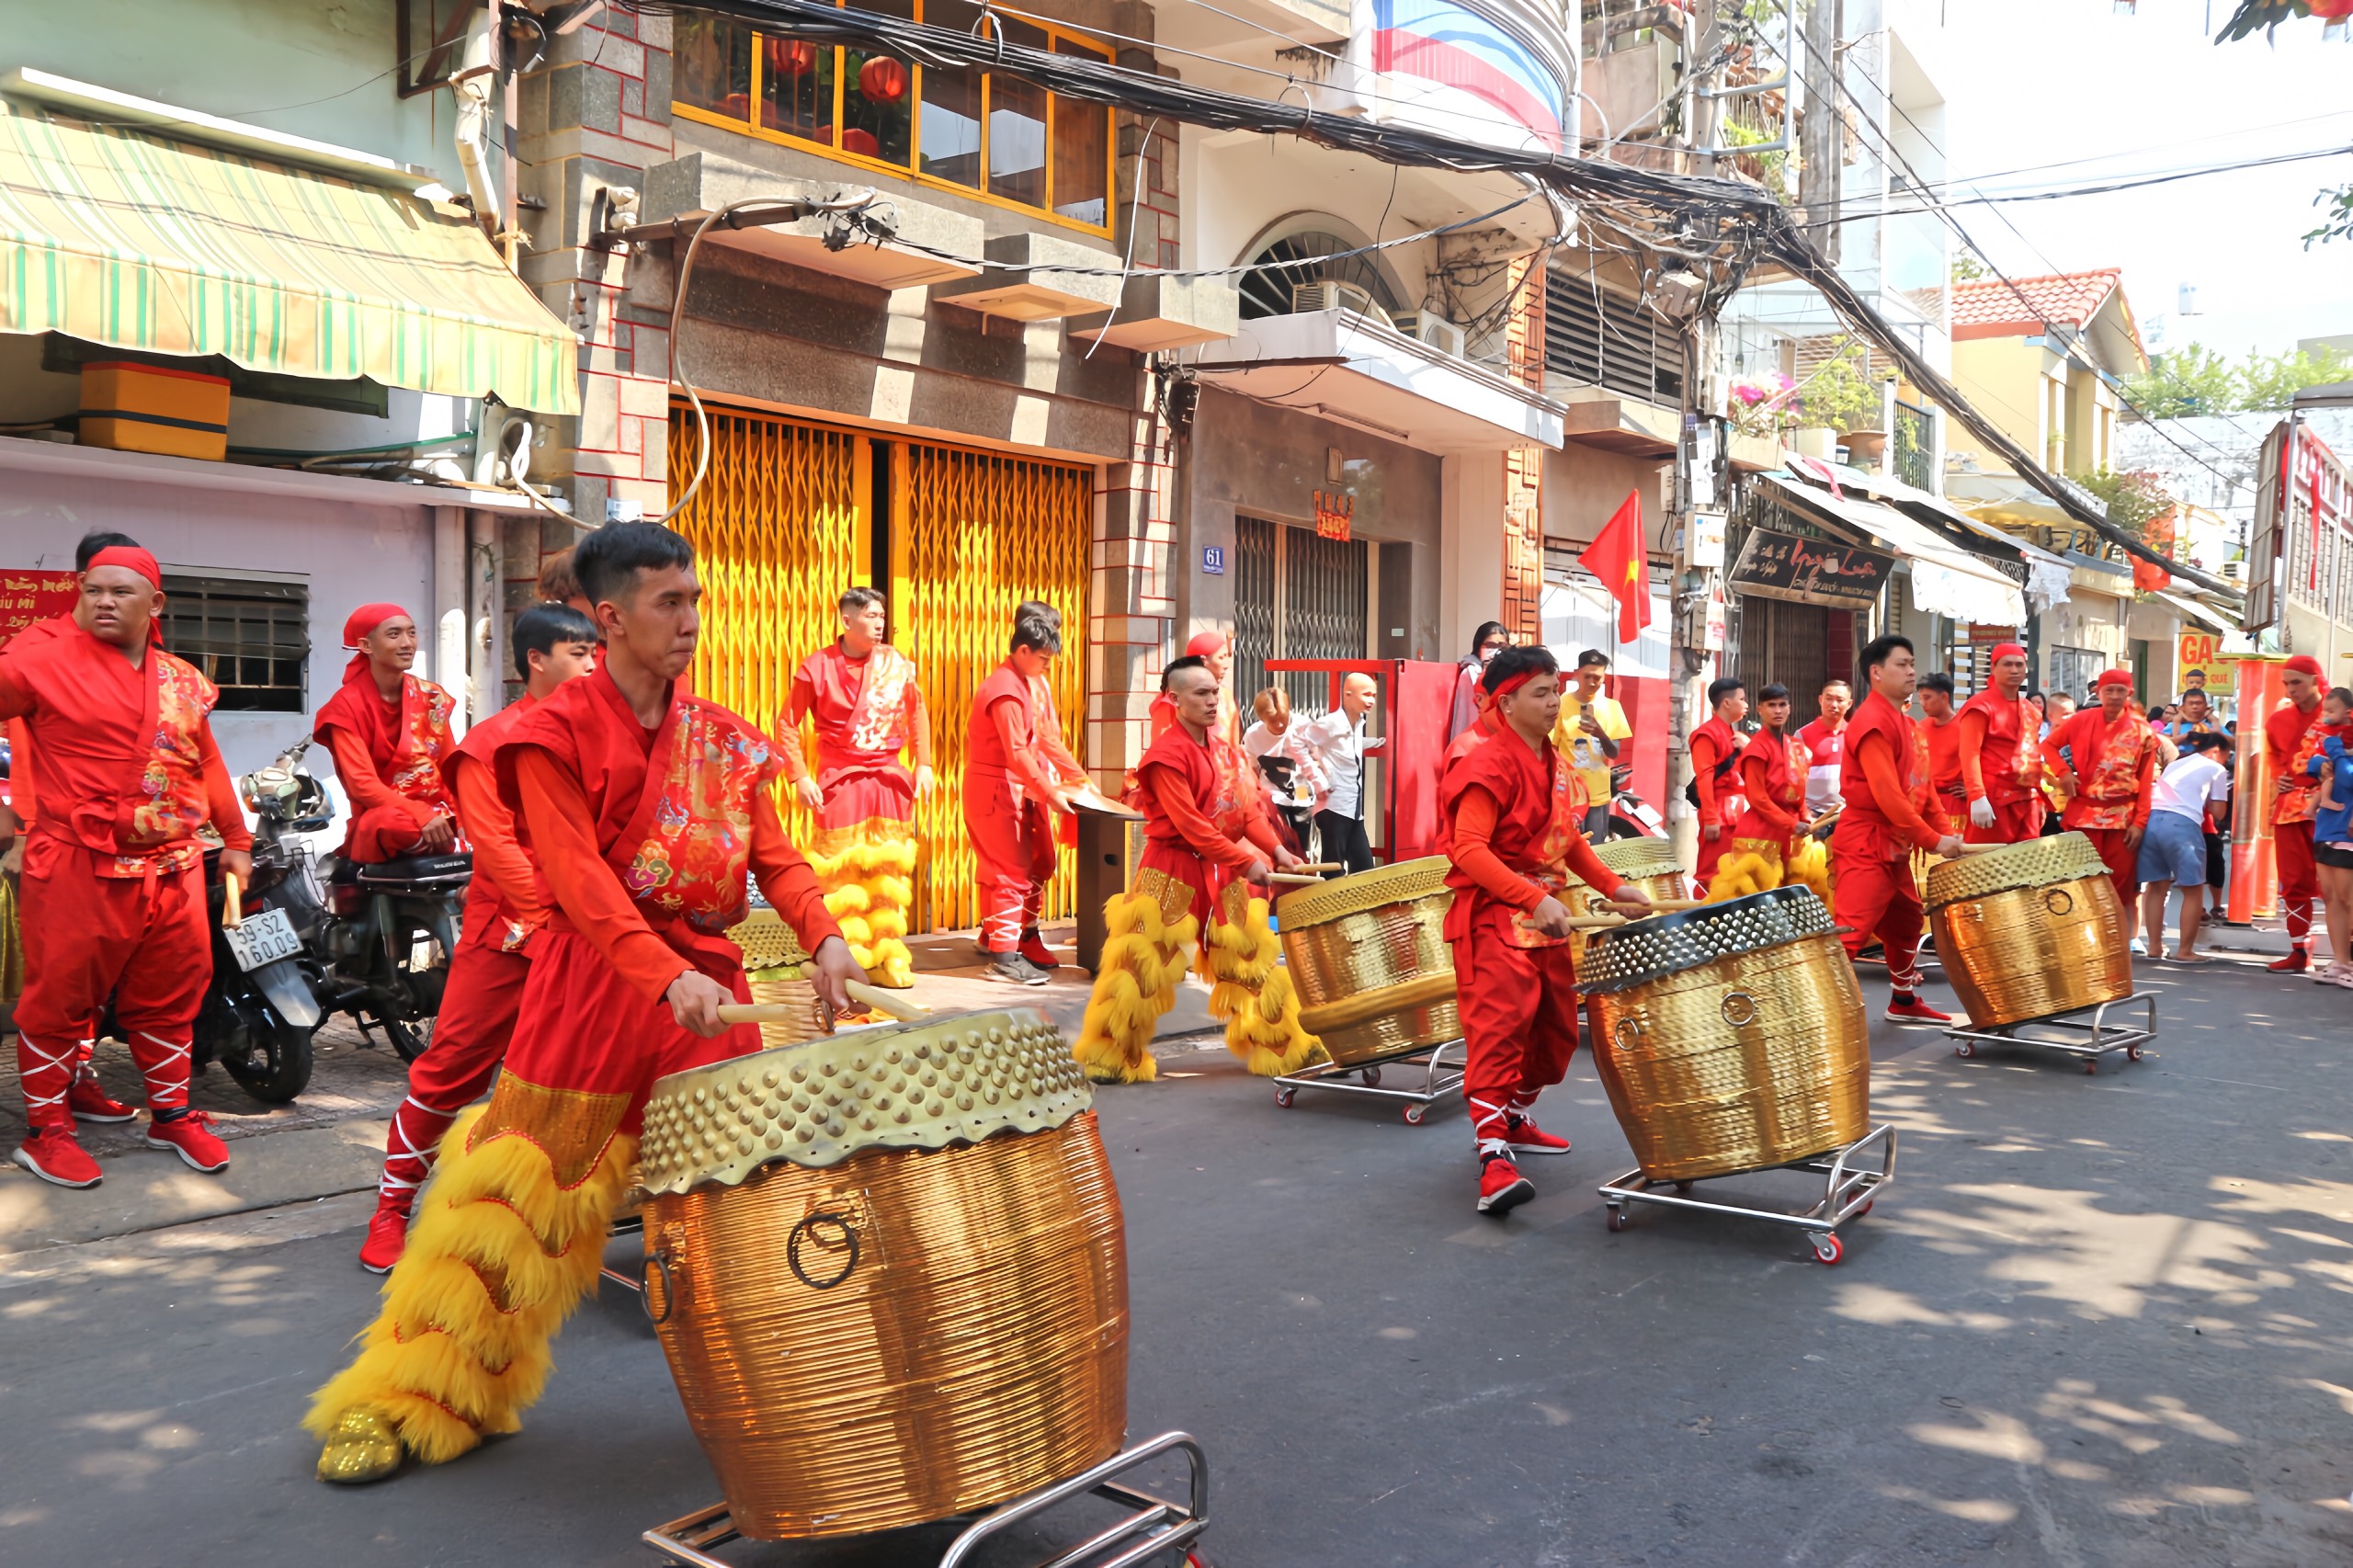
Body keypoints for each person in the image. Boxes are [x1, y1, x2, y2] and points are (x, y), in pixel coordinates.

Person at [307, 522, 861, 1485]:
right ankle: (409, 1393)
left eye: (694, 597)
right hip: (596, 990)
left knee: (752, 1202)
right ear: (608, 618)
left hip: (707, 1000)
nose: (691, 619)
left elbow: (773, 855)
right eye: (668, 602)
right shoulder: (543, 736)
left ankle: (802, 1395)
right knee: (513, 1209)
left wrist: (824, 937)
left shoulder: (725, 737)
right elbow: (577, 884)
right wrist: (661, 975)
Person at [355, 605, 598, 1272]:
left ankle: (541, 1217)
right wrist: (559, 921)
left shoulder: (608, 734)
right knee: (450, 1071)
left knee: (579, 1079)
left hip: (596, 935)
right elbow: (498, 849)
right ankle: (391, 1209)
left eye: (596, 652)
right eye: (578, 652)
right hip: (515, 931)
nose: (592, 665)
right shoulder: (490, 743)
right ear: (536, 661)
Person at [1, 545, 253, 1188]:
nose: (104, 601)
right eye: (92, 590)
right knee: (59, 1000)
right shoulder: (40, 663)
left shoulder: (182, 679)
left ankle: (170, 1115)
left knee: (171, 996)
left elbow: (206, 763)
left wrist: (236, 837)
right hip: (77, 864)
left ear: (155, 604)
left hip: (172, 864)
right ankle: (46, 1133)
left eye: (120, 592)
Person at [1440, 645, 1649, 1217]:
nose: (1555, 700)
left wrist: (1614, 887)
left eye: (1555, 689)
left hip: (1544, 916)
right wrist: (1533, 896)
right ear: (1505, 702)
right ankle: (1493, 1161)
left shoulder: (1551, 757)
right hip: (1492, 918)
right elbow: (1468, 850)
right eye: (1541, 692)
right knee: (1499, 1032)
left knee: (1554, 1032)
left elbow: (1568, 838)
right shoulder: (1480, 758)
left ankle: (1513, 1118)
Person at [1073, 657, 1316, 1083]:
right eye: (1200, 693)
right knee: (1142, 965)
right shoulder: (1165, 756)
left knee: (1249, 958)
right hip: (1172, 870)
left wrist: (1277, 851)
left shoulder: (1227, 751)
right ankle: (1110, 1055)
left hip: (1223, 872)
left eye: (1214, 692)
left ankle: (1283, 1047)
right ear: (1174, 699)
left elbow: (1247, 812)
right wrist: (1247, 862)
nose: (1211, 700)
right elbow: (1191, 826)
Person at [2, 528, 150, 1126]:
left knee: (90, 979)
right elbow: (20, 744)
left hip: (114, 844)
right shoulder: (39, 648)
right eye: (103, 585)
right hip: (45, 838)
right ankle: (49, 1105)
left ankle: (75, 1081)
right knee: (51, 980)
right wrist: (20, 828)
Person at [776, 587, 934, 990]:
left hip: (889, 778)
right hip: (838, 780)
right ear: (847, 621)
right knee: (841, 874)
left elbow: (917, 715)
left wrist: (926, 764)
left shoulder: (896, 665)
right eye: (871, 616)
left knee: (888, 870)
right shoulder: (816, 667)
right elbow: (787, 722)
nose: (880, 624)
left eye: (882, 616)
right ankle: (845, 958)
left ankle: (887, 954)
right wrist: (799, 776)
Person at [1832, 635, 1965, 1024]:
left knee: (1907, 921)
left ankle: (1903, 1001)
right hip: (1866, 841)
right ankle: (1820, 1016)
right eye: (1901, 665)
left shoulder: (1907, 724)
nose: (1911, 672)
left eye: (1912, 664)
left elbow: (1925, 792)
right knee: (1850, 933)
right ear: (1876, 673)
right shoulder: (1872, 721)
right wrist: (1932, 839)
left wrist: (1944, 833)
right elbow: (1888, 796)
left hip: (1893, 845)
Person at [965, 601, 1089, 986]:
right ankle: (1005, 955)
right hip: (1002, 788)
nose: (1047, 666)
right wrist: (1050, 792)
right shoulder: (1006, 689)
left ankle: (1007, 939)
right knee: (1009, 872)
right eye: (1044, 658)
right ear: (1023, 649)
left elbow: (1046, 738)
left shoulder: (1024, 682)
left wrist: (1077, 779)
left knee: (1026, 867)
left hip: (1019, 787)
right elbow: (1017, 751)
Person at [314, 604, 460, 864]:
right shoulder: (345, 707)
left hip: (440, 813)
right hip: (391, 819)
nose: (407, 643)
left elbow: (451, 767)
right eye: (394, 635)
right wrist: (420, 814)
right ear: (366, 646)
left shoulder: (431, 697)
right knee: (388, 824)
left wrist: (463, 815)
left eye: (412, 633)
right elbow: (363, 786)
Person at [2042, 670, 2160, 949]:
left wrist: (2140, 823)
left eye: (2121, 691)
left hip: (2123, 819)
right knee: (2079, 883)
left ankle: (2113, 947)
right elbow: (2047, 746)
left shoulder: (2144, 732)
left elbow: (2145, 783)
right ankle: (2079, 943)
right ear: (2099, 692)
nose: (2115, 696)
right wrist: (2063, 772)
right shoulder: (2081, 720)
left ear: (2129, 694)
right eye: (2110, 691)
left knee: (2119, 887)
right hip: (2082, 815)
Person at [2264, 654, 2336, 974]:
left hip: (2335, 808)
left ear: (2316, 681)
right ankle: (2298, 950)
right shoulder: (2277, 721)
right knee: (2293, 882)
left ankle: (2345, 954)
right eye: (2287, 683)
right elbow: (2276, 761)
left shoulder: (2340, 715)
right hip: (2291, 808)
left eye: (2298, 682)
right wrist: (2278, 775)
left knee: (2341, 884)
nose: (2291, 689)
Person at [2138, 731, 2233, 964]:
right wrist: (2209, 799)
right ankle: (2185, 951)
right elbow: (2219, 812)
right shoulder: (2216, 769)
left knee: (2155, 886)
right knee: (2193, 889)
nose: (2224, 761)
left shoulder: (2177, 763)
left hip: (2151, 821)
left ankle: (2155, 947)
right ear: (2215, 752)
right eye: (2225, 756)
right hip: (2182, 825)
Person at [1298, 672, 1388, 876]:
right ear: (1348, 695)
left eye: (1374, 695)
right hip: (1334, 808)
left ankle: (1358, 907)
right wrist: (1317, 770)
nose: (1371, 700)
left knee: (1364, 870)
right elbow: (1300, 742)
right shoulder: (1332, 723)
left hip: (1353, 809)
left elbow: (1349, 746)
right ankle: (1328, 908)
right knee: (1333, 871)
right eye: (1366, 694)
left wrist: (1378, 742)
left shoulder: (1357, 723)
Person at [1957, 642, 2045, 845]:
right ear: (1993, 669)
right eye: (2007, 664)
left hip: (2027, 797)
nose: (2014, 670)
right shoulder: (1980, 706)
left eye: (2019, 665)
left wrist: (2038, 798)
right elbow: (1969, 753)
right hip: (1993, 796)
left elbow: (2032, 757)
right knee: (1988, 862)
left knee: (2027, 863)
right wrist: (1977, 796)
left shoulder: (2030, 710)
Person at [1729, 682, 1811, 875]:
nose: (1778, 710)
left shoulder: (1796, 746)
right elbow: (1758, 798)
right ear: (1760, 709)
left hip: (1793, 831)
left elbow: (1799, 791)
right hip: (1762, 831)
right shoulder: (1757, 749)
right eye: (1771, 705)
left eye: (1782, 705)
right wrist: (1791, 824)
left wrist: (1805, 816)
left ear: (1790, 708)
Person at [1554, 648, 1631, 840]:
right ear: (1576, 674)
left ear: (1604, 677)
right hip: (1569, 795)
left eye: (1597, 678)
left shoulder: (1613, 708)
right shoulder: (1560, 704)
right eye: (1587, 676)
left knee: (1596, 852)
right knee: (1570, 851)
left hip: (1598, 794)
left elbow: (1613, 753)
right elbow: (1551, 747)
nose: (1591, 682)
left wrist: (1601, 734)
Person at [2307, 690, 2353, 987]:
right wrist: (2318, 762)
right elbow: (2308, 766)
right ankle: (2341, 961)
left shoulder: (2336, 741)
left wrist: (2334, 749)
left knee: (2349, 900)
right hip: (2326, 829)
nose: (2327, 715)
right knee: (2332, 899)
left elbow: (2348, 776)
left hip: (2347, 834)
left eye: (2333, 710)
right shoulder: (2327, 737)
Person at [1688, 676, 1749, 891]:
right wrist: (1711, 818)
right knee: (1711, 875)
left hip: (1738, 814)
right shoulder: (1707, 734)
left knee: (1735, 873)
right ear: (1726, 703)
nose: (1746, 704)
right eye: (1741, 699)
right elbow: (1704, 776)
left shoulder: (1734, 734)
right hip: (1720, 816)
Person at [1917, 673, 1966, 835]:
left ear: (1944, 697)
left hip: (1956, 802)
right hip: (1927, 801)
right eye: (1921, 698)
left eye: (1927, 698)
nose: (1923, 704)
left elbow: (1983, 762)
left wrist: (1974, 789)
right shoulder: (1920, 728)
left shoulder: (1965, 727)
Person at [1796, 680, 1852, 816]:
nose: (1833, 705)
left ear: (1849, 704)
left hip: (1845, 813)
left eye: (1840, 700)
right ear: (1820, 700)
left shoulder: (1855, 734)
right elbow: (1795, 778)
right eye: (1829, 699)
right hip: (1811, 813)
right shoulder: (1802, 735)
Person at [1448, 621, 1508, 743]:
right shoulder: (1470, 673)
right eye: (1490, 645)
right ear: (1479, 646)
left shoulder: (1511, 673)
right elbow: (1464, 716)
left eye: (1501, 646)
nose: (1496, 651)